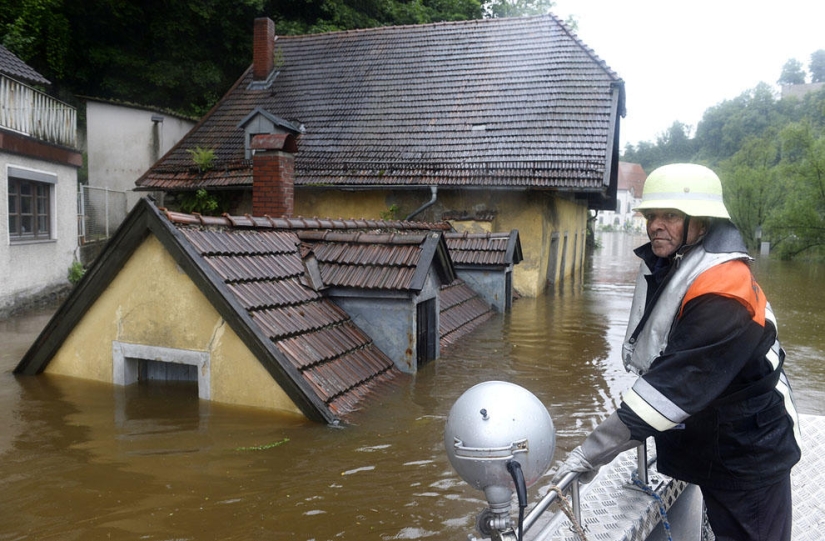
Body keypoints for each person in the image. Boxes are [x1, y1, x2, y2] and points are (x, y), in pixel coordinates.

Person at [555, 163, 802, 541]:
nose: (655, 224)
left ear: (701, 222)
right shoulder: (681, 263)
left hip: (751, 454)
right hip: (720, 438)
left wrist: (591, 453)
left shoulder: (723, 294)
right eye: (651, 214)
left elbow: (668, 391)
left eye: (670, 215)